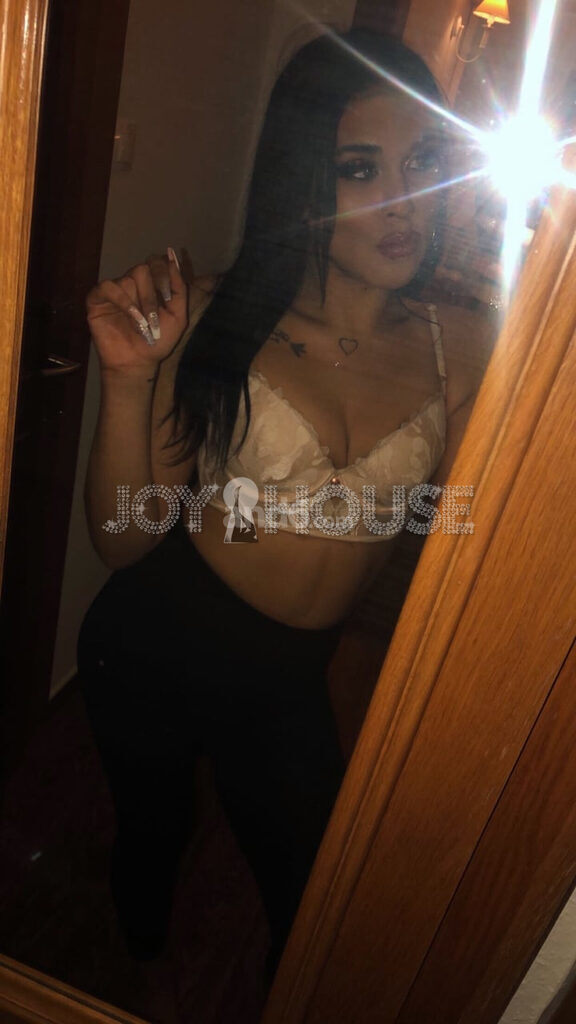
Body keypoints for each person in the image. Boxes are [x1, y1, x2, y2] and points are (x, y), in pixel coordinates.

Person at [77, 27, 478, 988]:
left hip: (292, 678)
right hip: (156, 638)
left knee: (313, 901)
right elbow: (124, 542)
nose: (403, 200)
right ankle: (131, 974)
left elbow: (461, 538)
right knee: (151, 835)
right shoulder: (217, 313)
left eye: (424, 161)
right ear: (303, 184)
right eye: (359, 168)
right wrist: (129, 381)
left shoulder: (464, 344)